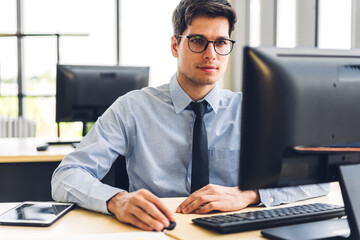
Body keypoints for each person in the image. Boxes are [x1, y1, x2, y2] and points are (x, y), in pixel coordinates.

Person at [52, 0, 329, 232]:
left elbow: (319, 178)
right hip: (157, 232)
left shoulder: (253, 111)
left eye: (221, 42)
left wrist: (249, 195)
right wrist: (116, 200)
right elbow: (66, 175)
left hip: (230, 234)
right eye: (198, 41)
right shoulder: (132, 108)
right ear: (175, 45)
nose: (211, 54)